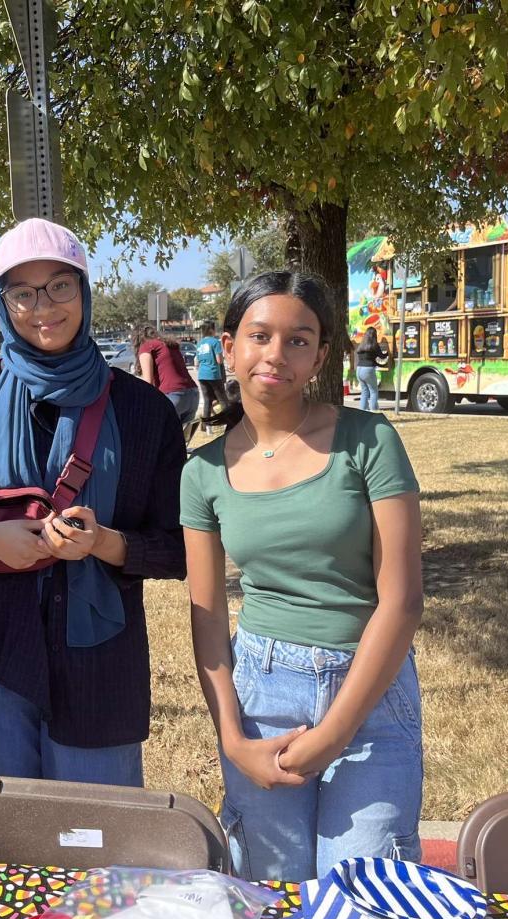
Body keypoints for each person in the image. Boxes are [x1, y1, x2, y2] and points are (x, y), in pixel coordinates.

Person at [0, 218, 186, 793]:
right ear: (2, 302)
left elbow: (178, 547)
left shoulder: (144, 412)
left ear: (83, 290)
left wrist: (104, 543)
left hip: (99, 667)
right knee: (0, 832)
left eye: (59, 286)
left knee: (95, 830)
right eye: (23, 293)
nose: (43, 307)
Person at [181, 271, 423, 883]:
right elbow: (207, 618)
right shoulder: (202, 473)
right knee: (270, 893)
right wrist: (232, 738)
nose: (276, 354)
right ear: (228, 346)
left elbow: (401, 601)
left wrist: (336, 731)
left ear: (319, 356)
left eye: (298, 340)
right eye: (260, 335)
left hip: (371, 691)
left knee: (365, 896)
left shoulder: (369, 440)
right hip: (262, 694)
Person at [134, 324, 199, 445]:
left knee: (155, 440)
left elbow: (148, 384)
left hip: (173, 396)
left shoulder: (146, 347)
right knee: (180, 444)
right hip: (193, 395)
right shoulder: (169, 345)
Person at [194, 320, 229, 430]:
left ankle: (205, 426)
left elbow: (196, 362)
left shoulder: (199, 343)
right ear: (211, 330)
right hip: (213, 374)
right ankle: (229, 422)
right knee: (223, 400)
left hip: (202, 375)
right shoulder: (215, 342)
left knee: (207, 401)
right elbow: (219, 360)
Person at [354, 327, 388, 412]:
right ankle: (374, 411)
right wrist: (388, 352)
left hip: (359, 370)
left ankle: (362, 411)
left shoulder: (362, 345)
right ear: (374, 335)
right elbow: (382, 356)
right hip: (368, 370)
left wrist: (379, 364)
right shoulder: (374, 345)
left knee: (364, 392)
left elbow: (369, 359)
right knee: (373, 392)